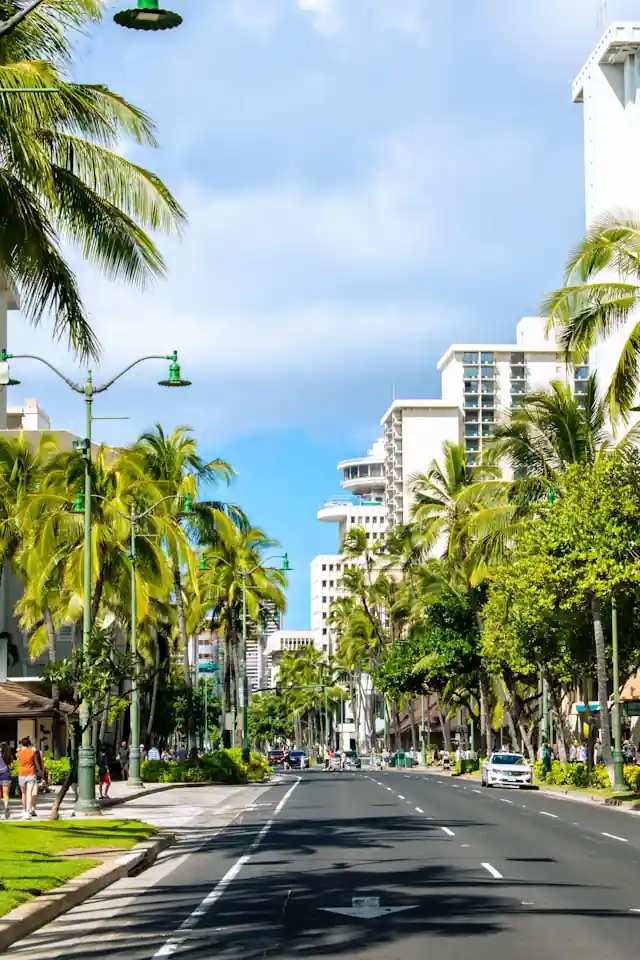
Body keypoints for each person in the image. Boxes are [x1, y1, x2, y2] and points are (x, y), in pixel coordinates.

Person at [17, 737, 42, 820]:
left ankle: (24, 811)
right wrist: (40, 770)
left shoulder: (19, 752)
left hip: (21, 774)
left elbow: (17, 757)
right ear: (29, 744)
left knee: (23, 794)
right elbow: (36, 762)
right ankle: (28, 811)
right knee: (29, 793)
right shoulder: (32, 752)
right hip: (30, 773)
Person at [0, 742, 12, 819]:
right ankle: (6, 807)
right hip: (6, 775)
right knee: (5, 794)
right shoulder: (9, 756)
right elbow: (12, 766)